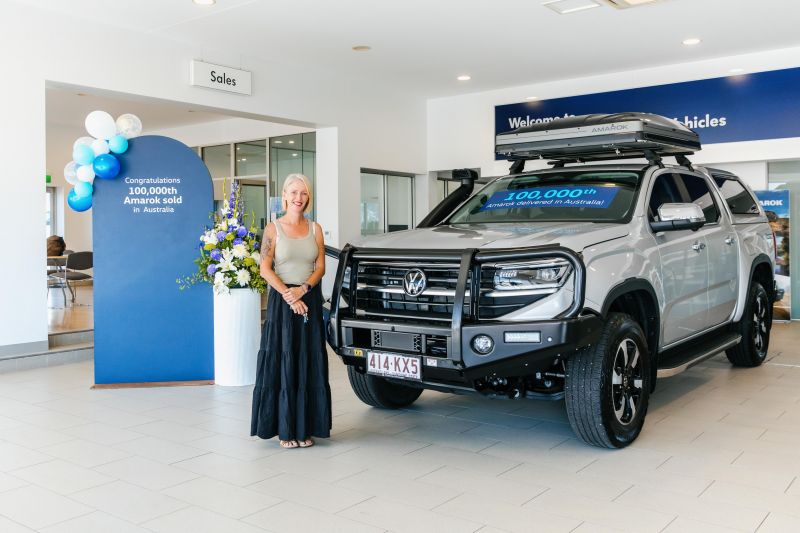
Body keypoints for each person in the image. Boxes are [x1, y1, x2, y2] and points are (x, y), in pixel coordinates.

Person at [251, 173, 332, 449]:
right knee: (284, 361)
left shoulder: (316, 229)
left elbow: (320, 267)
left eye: (304, 193)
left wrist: (303, 290)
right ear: (284, 196)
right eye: (294, 193)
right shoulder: (273, 230)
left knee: (307, 362)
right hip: (282, 303)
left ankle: (305, 428)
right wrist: (289, 294)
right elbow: (265, 268)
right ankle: (286, 430)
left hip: (308, 298)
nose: (299, 198)